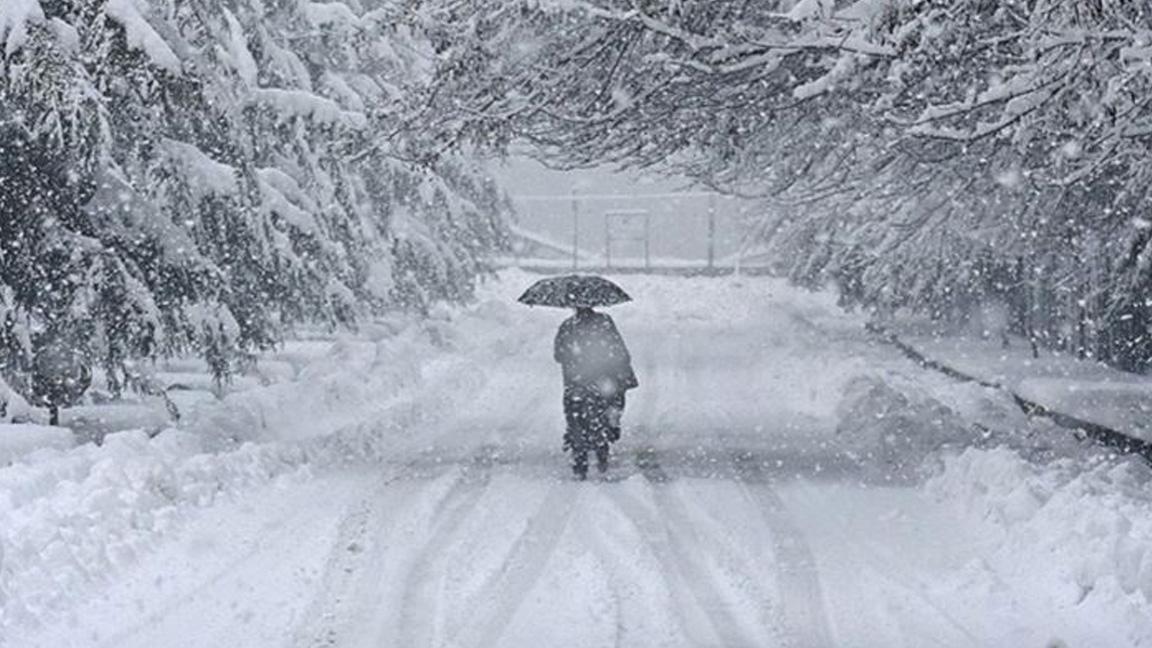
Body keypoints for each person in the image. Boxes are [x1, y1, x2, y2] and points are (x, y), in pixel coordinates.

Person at [554, 306, 637, 479]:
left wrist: (575, 359)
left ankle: (579, 457)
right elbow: (618, 349)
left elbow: (558, 355)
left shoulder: (567, 326)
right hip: (602, 380)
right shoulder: (605, 323)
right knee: (603, 413)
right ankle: (602, 449)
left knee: (576, 417)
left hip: (576, 382)